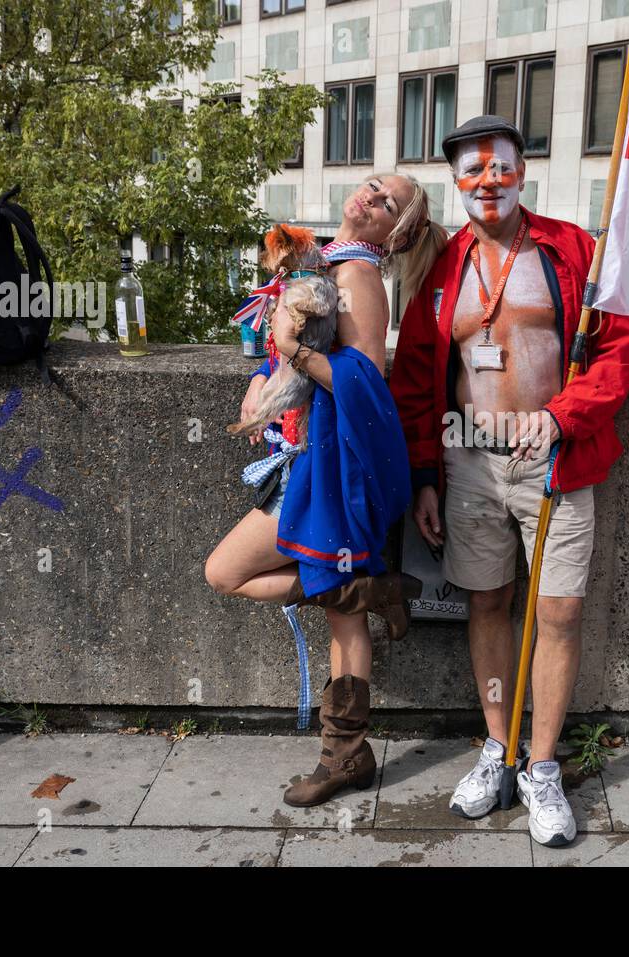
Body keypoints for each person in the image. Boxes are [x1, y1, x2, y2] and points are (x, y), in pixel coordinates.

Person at [389, 117, 629, 846]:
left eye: (498, 168)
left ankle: (542, 766)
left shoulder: (573, 250)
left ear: (522, 170)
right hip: (467, 460)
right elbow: (413, 378)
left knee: (559, 612)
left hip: (558, 458)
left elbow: (622, 348)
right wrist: (425, 476)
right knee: (488, 603)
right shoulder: (440, 268)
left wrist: (565, 415)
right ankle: (498, 750)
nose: (486, 183)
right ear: (456, 183)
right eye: (471, 172)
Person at [206, 172, 448, 807]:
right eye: (372, 186)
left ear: (398, 232)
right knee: (267, 584)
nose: (370, 197)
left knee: (233, 575)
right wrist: (265, 378)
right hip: (305, 461)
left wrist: (292, 352)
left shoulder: (361, 280)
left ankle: (344, 755)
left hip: (335, 470)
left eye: (386, 202)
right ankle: (372, 588)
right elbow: (302, 358)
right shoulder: (327, 262)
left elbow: (363, 382)